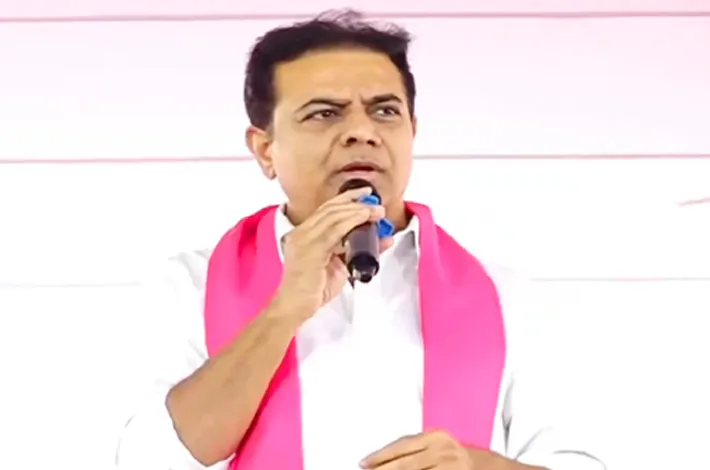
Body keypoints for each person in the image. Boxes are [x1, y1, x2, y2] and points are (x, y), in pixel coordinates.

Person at [114, 10, 606, 470]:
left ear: (412, 131)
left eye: (385, 111)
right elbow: (146, 459)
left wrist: (478, 466)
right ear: (265, 149)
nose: (361, 132)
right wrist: (284, 310)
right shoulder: (191, 285)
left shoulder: (505, 296)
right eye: (325, 114)